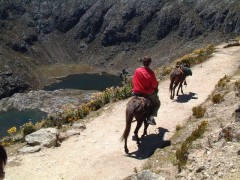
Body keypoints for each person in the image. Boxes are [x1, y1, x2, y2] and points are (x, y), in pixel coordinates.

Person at [132, 56, 161, 125]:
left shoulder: (137, 70)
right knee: (157, 103)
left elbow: (133, 81)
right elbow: (154, 85)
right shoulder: (151, 72)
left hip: (136, 92)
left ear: (143, 62)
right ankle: (150, 119)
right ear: (149, 63)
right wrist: (157, 82)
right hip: (146, 93)